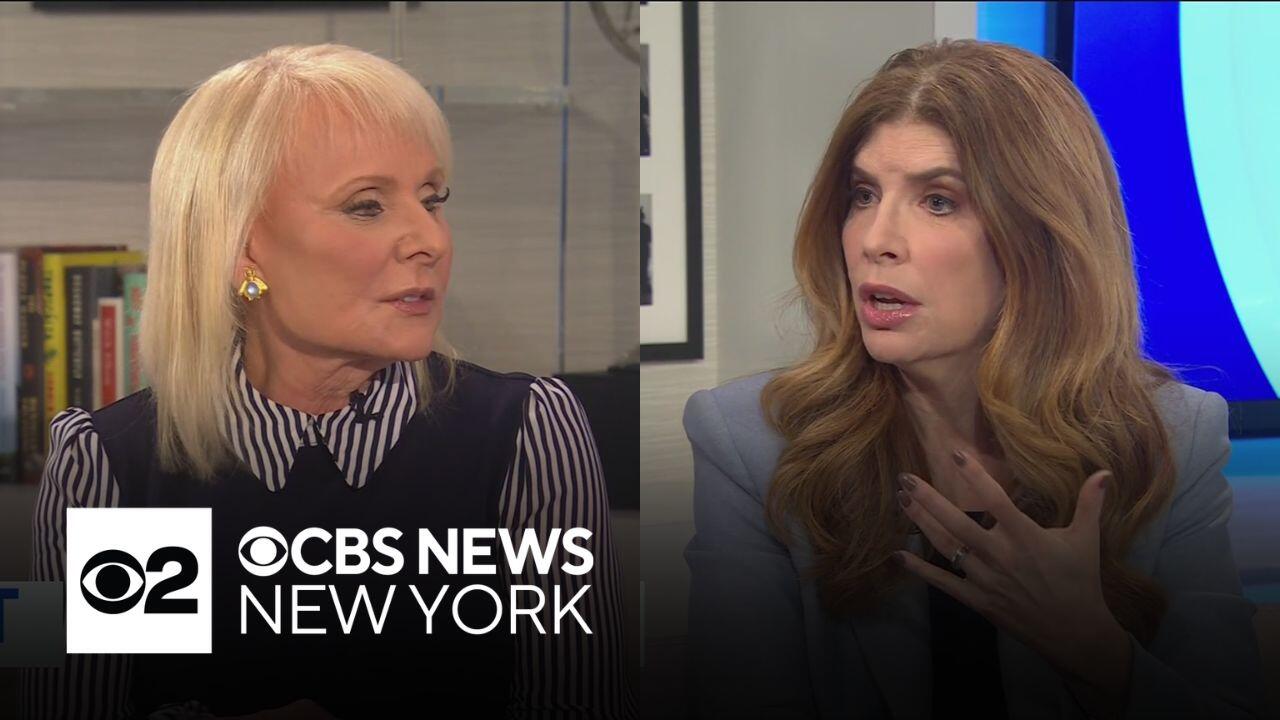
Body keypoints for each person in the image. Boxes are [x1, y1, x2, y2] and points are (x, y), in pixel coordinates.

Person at [24, 44, 636, 720]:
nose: (430, 239)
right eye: (367, 206)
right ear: (243, 247)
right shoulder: (117, 466)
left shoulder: (524, 432)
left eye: (432, 200)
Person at [683, 40, 1266, 719]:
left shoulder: (1175, 437)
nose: (875, 239)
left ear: (1042, 235)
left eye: (938, 201)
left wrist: (1093, 648)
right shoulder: (751, 443)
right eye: (863, 195)